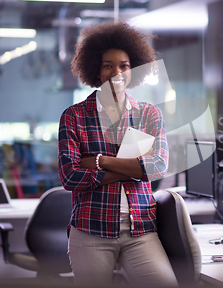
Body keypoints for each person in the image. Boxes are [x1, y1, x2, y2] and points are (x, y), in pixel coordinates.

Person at [58, 22, 178, 287]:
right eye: (108, 65)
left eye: (124, 65)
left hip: (141, 229)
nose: (117, 72)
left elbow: (158, 167)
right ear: (96, 71)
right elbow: (70, 176)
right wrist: (134, 169)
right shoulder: (74, 116)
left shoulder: (149, 114)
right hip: (91, 229)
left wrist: (100, 162)